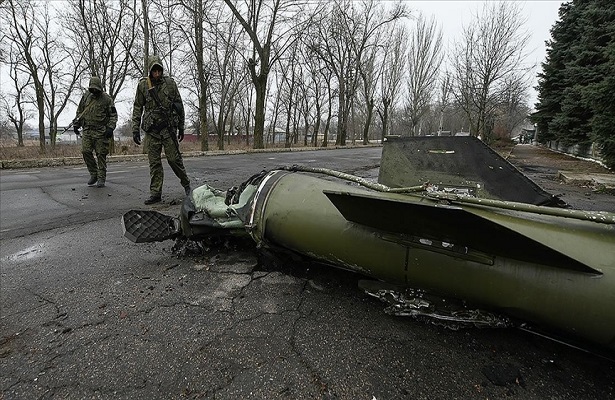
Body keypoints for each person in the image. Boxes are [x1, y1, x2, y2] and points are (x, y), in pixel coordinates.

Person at [131, 55, 191, 205]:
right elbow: (138, 107)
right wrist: (135, 129)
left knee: (174, 159)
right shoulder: (143, 85)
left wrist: (181, 126)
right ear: (150, 71)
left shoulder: (170, 84)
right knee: (154, 163)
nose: (157, 74)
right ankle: (155, 193)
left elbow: (179, 106)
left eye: (159, 70)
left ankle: (187, 185)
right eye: (154, 71)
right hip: (152, 130)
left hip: (168, 128)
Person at [73, 76, 117, 188]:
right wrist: (77, 124)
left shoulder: (107, 99)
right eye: (92, 89)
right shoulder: (86, 97)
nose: (94, 91)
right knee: (85, 151)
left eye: (95, 89)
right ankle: (94, 174)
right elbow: (80, 112)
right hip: (87, 130)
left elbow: (113, 115)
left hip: (101, 131)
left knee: (101, 155)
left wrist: (110, 128)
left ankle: (101, 177)